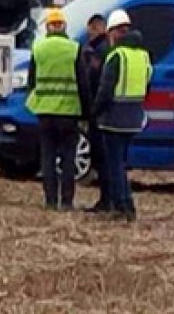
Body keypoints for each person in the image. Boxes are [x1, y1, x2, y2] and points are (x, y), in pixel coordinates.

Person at [92, 10, 152, 223]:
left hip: (114, 119)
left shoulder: (116, 56)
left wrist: (94, 112)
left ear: (113, 32)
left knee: (114, 164)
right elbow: (147, 86)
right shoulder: (143, 56)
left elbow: (105, 90)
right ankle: (126, 203)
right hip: (135, 118)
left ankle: (123, 205)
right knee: (122, 163)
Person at [25, 8, 87, 211]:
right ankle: (67, 201)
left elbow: (31, 82)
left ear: (48, 27)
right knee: (69, 158)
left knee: (48, 157)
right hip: (69, 112)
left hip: (45, 112)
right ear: (64, 26)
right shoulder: (74, 49)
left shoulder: (39, 49)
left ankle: (50, 200)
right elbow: (83, 83)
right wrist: (86, 112)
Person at [80, 13, 112, 212]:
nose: (89, 33)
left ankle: (106, 200)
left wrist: (91, 108)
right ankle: (107, 199)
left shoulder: (99, 51)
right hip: (104, 111)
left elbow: (92, 80)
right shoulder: (103, 48)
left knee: (102, 157)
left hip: (99, 112)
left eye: (91, 29)